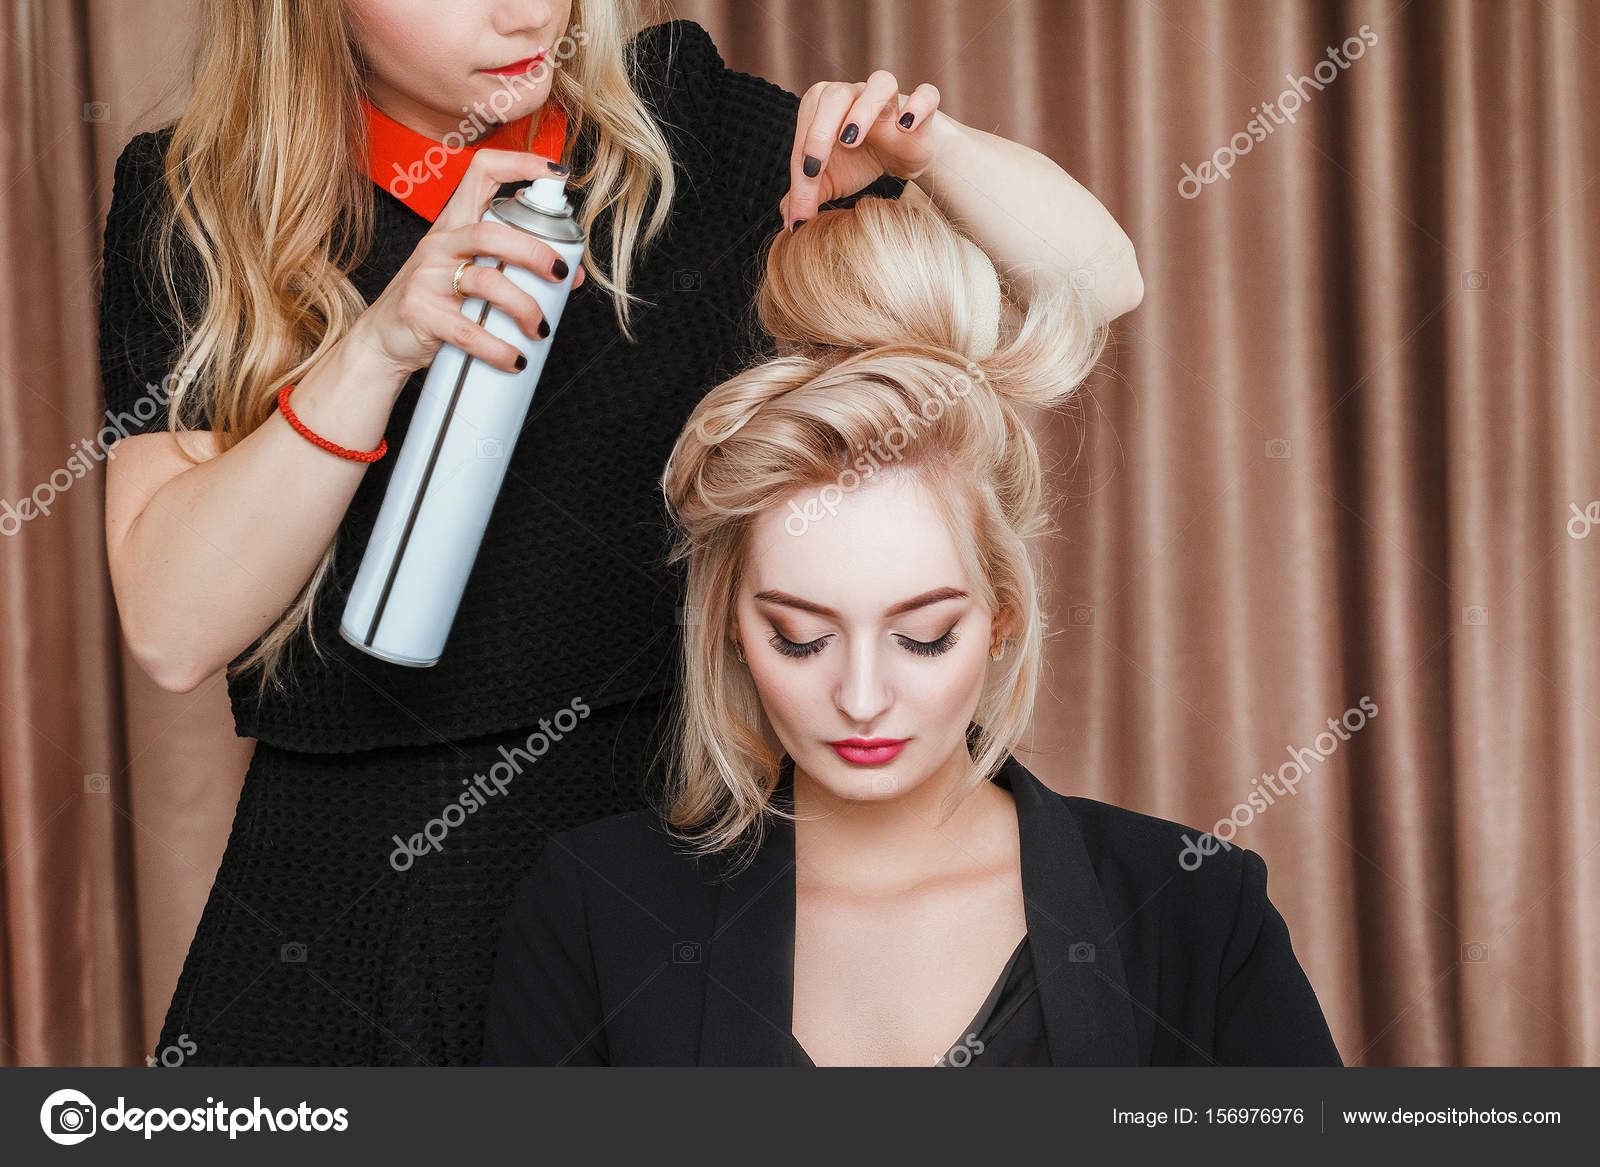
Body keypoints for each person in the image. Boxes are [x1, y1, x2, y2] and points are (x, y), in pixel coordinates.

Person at [98, 1, 1143, 1066]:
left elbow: (1099, 283)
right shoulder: (201, 207)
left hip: (675, 855)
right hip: (359, 899)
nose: (521, 12)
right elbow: (174, 631)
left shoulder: (683, 132)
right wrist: (377, 348)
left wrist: (937, 154)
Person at [481, 193, 1339, 1066]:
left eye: (922, 635)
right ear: (733, 625)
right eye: (800, 638)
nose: (860, 699)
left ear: (1003, 616)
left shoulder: (1193, 908)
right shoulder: (598, 908)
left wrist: (928, 147)